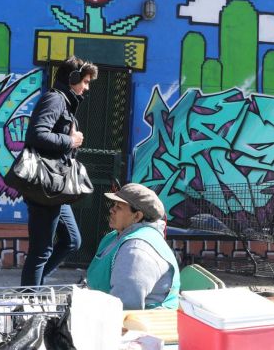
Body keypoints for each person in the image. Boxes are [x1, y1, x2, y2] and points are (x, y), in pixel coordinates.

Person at [20, 56, 98, 286]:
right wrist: (70, 141)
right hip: (45, 185)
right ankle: (27, 300)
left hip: (56, 188)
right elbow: (37, 134)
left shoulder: (66, 102)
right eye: (85, 82)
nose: (86, 88)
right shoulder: (55, 99)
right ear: (72, 78)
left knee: (72, 240)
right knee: (41, 250)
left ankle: (35, 284)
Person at [86, 183, 180, 309]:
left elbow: (124, 306)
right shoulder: (115, 236)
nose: (111, 210)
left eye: (119, 207)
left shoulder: (136, 249)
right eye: (114, 205)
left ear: (137, 216)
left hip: (140, 320)